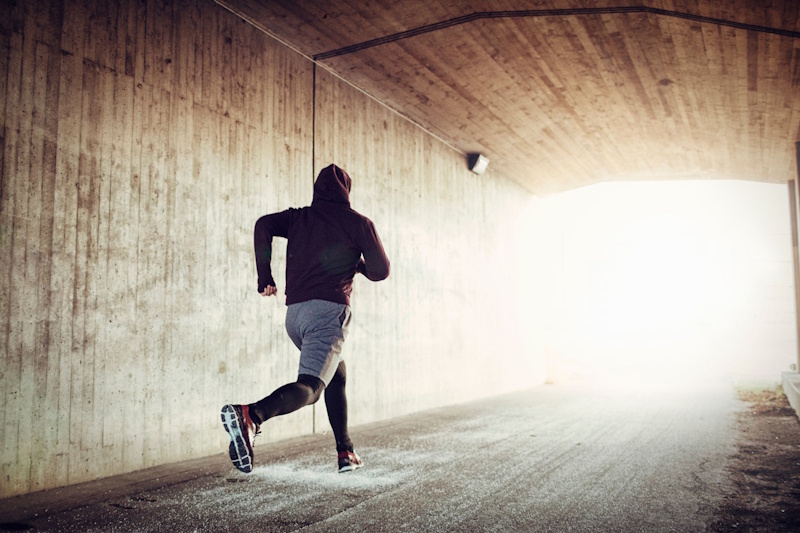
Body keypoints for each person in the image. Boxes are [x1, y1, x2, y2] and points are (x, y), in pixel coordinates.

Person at [221, 164, 390, 474]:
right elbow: (381, 271)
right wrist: (358, 265)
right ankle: (251, 416)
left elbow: (263, 225)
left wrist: (265, 276)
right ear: (346, 192)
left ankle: (345, 451)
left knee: (335, 374)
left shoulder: (299, 217)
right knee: (311, 388)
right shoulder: (359, 224)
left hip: (295, 317)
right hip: (327, 314)